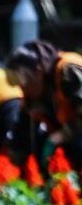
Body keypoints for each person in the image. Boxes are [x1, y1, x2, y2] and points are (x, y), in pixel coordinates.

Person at [5, 40, 82, 168]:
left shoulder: (69, 71)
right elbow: (21, 136)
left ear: (38, 71)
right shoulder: (33, 94)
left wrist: (63, 135)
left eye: (24, 84)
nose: (22, 90)